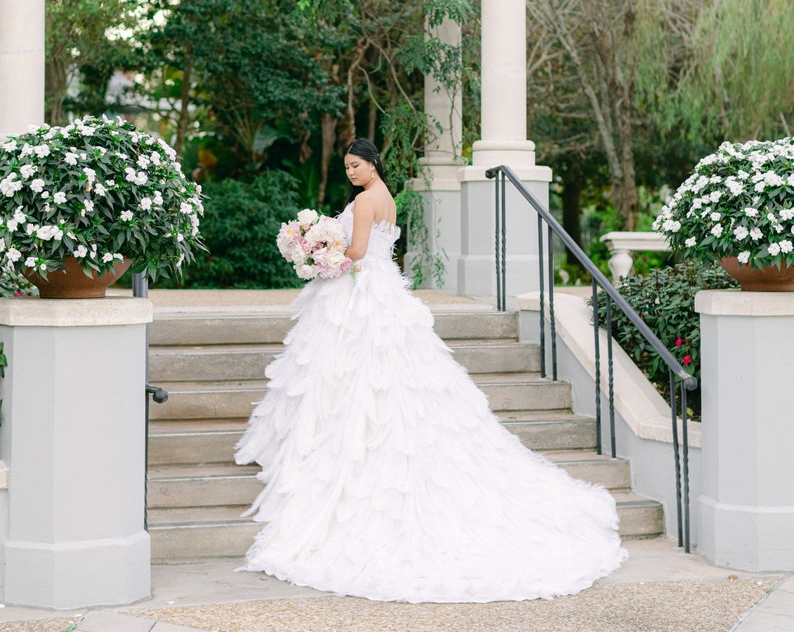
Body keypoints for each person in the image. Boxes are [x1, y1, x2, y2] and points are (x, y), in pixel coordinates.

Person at [235, 138, 626, 603]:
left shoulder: (363, 202)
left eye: (356, 165)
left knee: (350, 372)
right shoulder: (388, 198)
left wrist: (315, 255)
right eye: (346, 167)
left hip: (359, 292)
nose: (351, 173)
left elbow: (357, 253)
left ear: (373, 163)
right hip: (384, 291)